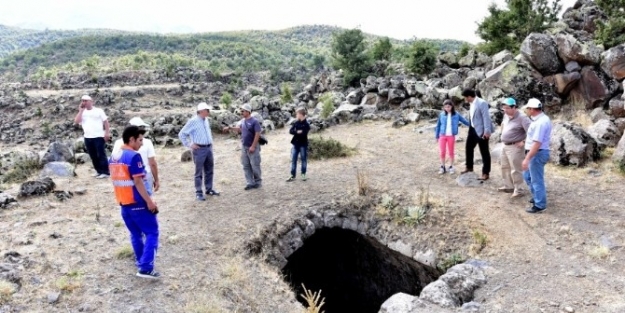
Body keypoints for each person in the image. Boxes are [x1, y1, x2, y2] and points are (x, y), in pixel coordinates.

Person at [109, 125, 160, 279]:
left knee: (135, 233)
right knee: (152, 232)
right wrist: (150, 202)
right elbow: (138, 182)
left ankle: (141, 261)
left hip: (123, 203)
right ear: (131, 139)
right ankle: (145, 267)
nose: (142, 144)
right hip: (137, 202)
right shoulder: (133, 156)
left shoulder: (114, 157)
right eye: (140, 140)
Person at [178, 102, 220, 201]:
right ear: (201, 111)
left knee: (209, 169)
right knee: (199, 171)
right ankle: (198, 192)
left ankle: (209, 189)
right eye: (207, 110)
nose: (208, 111)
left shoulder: (206, 120)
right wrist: (190, 144)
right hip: (199, 149)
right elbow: (182, 134)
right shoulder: (193, 121)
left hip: (208, 147)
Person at [112, 117, 160, 195]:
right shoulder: (147, 142)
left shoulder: (118, 143)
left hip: (125, 178)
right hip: (144, 175)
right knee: (146, 200)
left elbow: (115, 162)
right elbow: (152, 163)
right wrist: (156, 179)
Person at [522, 98, 552, 214]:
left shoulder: (540, 123)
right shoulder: (540, 120)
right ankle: (536, 196)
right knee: (528, 176)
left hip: (537, 153)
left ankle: (540, 204)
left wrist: (527, 158)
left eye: (528, 109)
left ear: (532, 109)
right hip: (536, 152)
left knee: (536, 179)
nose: (527, 111)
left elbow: (537, 143)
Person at [222, 104, 262, 190]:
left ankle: (258, 182)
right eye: (241, 111)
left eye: (243, 111)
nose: (241, 112)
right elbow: (240, 129)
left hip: (252, 147)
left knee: (255, 165)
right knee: (246, 165)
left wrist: (253, 146)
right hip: (244, 147)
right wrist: (230, 128)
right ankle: (250, 183)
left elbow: (257, 134)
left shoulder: (254, 121)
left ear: (248, 111)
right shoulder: (242, 121)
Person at [498, 98, 531, 198]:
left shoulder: (522, 118)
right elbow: (503, 125)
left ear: (514, 107)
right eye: (504, 108)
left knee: (516, 168)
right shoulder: (506, 115)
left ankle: (519, 190)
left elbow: (531, 131)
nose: (505, 110)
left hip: (515, 147)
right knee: (505, 166)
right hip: (505, 145)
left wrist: (524, 142)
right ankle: (508, 186)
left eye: (507, 108)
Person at [74, 95, 110, 179]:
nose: (84, 102)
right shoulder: (82, 112)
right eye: (82, 101)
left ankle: (105, 172)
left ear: (91, 101)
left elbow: (106, 122)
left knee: (101, 154)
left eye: (86, 101)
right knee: (93, 155)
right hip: (87, 137)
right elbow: (76, 121)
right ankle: (98, 171)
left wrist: (107, 133)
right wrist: (80, 111)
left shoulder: (98, 111)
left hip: (98, 136)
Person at [461, 89, 494, 180]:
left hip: (482, 130)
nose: (465, 99)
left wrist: (487, 131)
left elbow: (486, 117)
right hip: (472, 129)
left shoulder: (482, 103)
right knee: (468, 147)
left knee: (484, 151)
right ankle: (469, 167)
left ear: (469, 97)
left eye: (465, 97)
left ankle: (485, 173)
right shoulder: (471, 103)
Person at [435, 99, 470, 174]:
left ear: (452, 106)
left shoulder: (456, 114)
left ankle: (451, 166)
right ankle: (442, 166)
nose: (447, 108)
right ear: (444, 107)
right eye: (445, 107)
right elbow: (438, 126)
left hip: (451, 136)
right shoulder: (441, 115)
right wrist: (436, 136)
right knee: (442, 152)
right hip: (442, 135)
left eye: (448, 107)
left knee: (451, 152)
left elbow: (464, 121)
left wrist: (472, 126)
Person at [287, 108, 311, 182]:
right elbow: (291, 131)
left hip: (303, 144)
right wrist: (297, 132)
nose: (296, 115)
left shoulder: (306, 124)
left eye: (297, 114)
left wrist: (297, 132)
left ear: (301, 114)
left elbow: (304, 134)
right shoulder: (296, 123)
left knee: (303, 160)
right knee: (293, 160)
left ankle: (303, 174)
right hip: (295, 144)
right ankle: (292, 175)